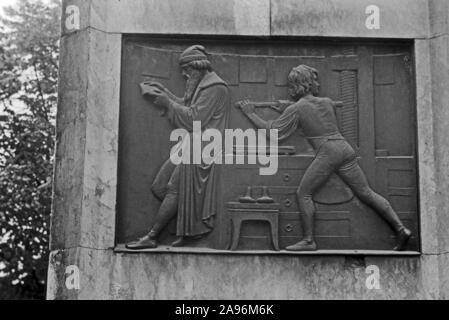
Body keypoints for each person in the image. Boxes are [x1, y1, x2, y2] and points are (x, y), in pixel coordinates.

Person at [237, 65, 412, 251]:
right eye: (315, 81)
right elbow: (314, 118)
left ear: (296, 86)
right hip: (344, 149)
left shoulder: (296, 109)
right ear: (308, 84)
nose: (318, 84)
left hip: (328, 153)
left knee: (303, 193)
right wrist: (287, 110)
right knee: (367, 193)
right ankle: (401, 229)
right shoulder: (327, 102)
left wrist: (250, 113)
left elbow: (273, 132)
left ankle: (309, 240)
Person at [126, 45, 231, 249]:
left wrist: (167, 103)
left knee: (174, 189)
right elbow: (188, 106)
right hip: (191, 145)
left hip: (202, 150)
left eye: (186, 69)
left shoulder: (215, 87)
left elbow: (194, 119)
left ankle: (152, 236)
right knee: (159, 186)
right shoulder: (204, 85)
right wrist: (165, 93)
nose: (183, 74)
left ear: (197, 67)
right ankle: (187, 224)